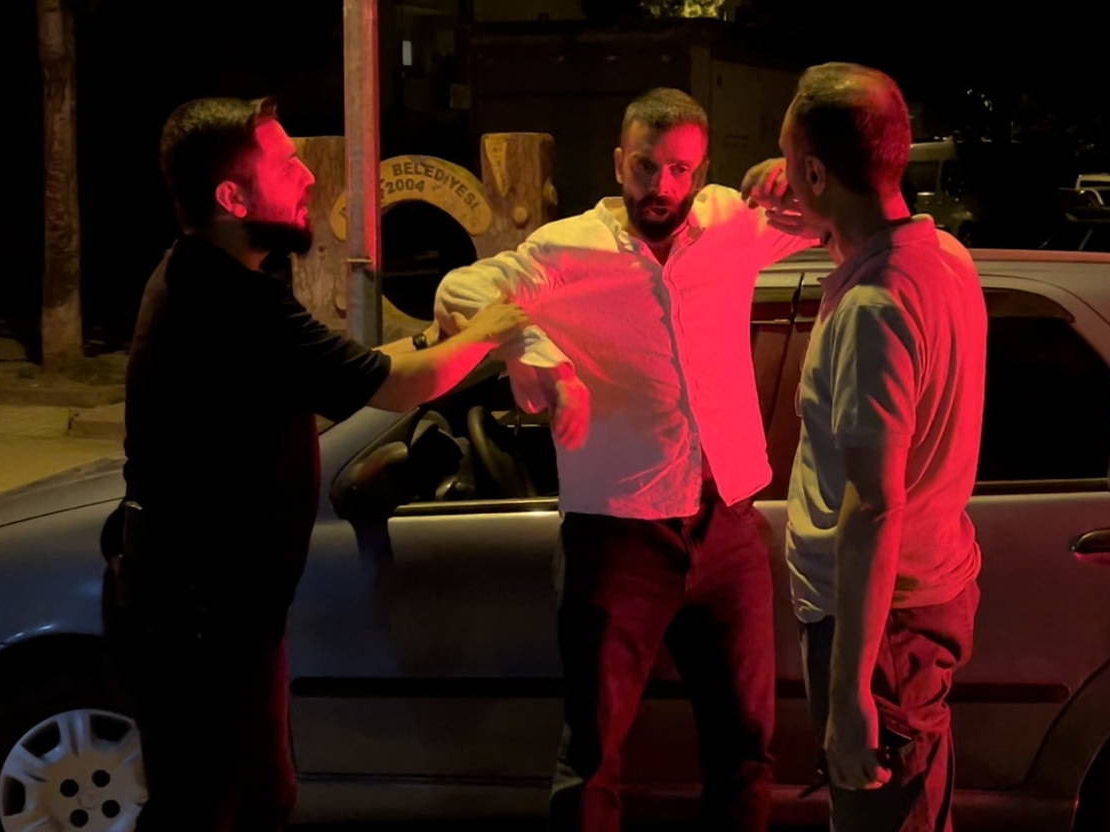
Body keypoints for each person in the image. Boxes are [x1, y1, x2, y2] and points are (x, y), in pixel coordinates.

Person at [104, 96, 527, 831]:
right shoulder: (223, 298)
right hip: (197, 620)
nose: (307, 178)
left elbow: (351, 370)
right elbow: (396, 389)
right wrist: (495, 327)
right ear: (232, 197)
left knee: (259, 797)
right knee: (208, 808)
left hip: (219, 613)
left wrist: (434, 341)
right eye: (284, 165)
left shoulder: (218, 278)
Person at [435, 87, 816, 831]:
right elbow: (460, 288)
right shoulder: (567, 249)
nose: (661, 186)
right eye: (646, 166)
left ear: (702, 170)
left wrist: (793, 172)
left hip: (728, 523)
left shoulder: (731, 225)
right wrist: (536, 351)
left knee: (746, 746)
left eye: (680, 170)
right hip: (616, 536)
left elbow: (837, 218)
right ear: (619, 162)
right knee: (593, 757)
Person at [770, 63, 986, 830]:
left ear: (817, 173)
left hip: (880, 626)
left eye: (792, 164)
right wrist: (813, 196)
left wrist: (852, 693)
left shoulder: (873, 309)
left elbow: (874, 506)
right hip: (916, 605)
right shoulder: (944, 257)